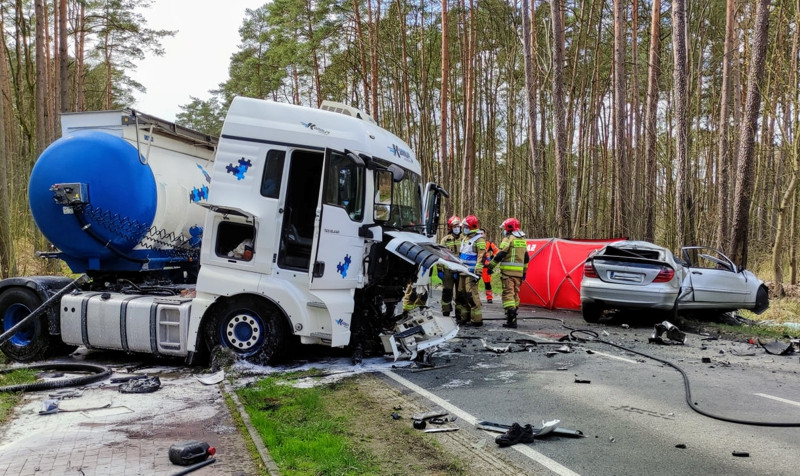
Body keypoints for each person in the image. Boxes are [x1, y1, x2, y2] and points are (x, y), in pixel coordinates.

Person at [487, 217, 529, 328]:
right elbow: (526, 258)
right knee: (515, 294)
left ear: (508, 228)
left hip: (508, 274)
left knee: (508, 294)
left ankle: (511, 320)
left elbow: (501, 254)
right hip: (519, 274)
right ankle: (513, 316)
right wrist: (524, 272)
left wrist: (491, 266)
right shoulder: (522, 240)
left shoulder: (508, 239)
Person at [455, 215, 487, 326]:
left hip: (471, 273)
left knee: (471, 296)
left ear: (472, 227)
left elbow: (481, 257)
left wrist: (478, 273)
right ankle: (465, 317)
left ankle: (477, 319)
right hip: (462, 272)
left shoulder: (479, 239)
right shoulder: (465, 238)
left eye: (465, 226)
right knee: (462, 295)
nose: (464, 228)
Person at [438, 215, 462, 317]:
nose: (457, 228)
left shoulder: (464, 239)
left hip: (461, 269)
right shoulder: (445, 240)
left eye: (458, 226)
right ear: (450, 227)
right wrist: (439, 269)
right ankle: (446, 310)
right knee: (447, 291)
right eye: (455, 226)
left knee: (460, 292)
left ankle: (459, 312)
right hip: (448, 270)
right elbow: (440, 255)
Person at [481, 239, 499, 303]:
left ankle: (489, 298)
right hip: (476, 265)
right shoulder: (473, 242)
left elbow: (497, 251)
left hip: (486, 266)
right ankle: (474, 298)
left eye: (482, 233)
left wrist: (492, 257)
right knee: (473, 282)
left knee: (487, 282)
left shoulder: (488, 243)